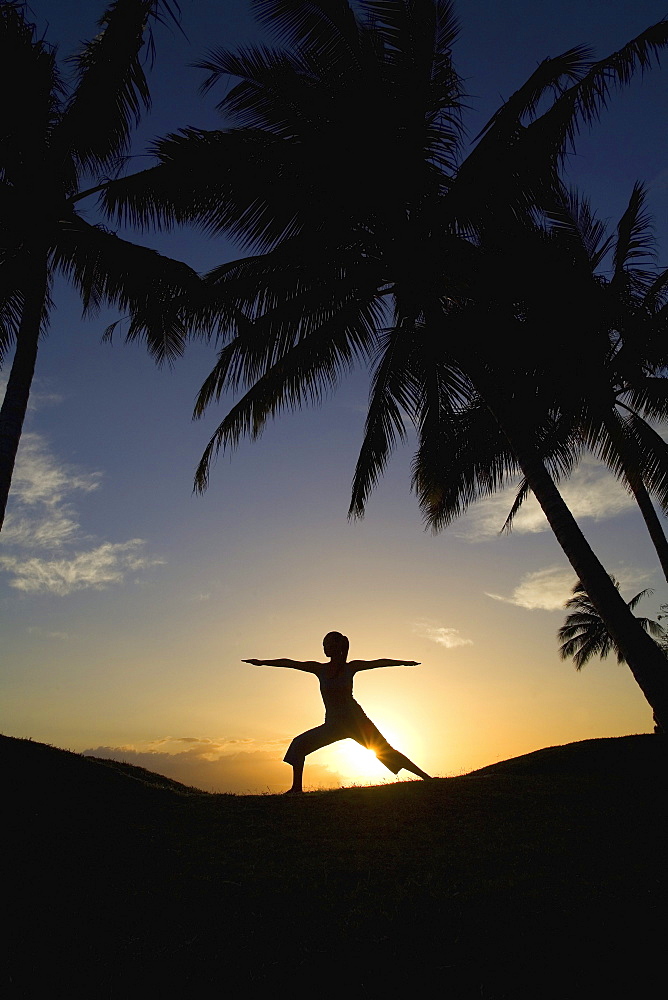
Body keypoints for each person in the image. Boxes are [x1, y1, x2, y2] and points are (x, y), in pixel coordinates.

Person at [243, 631, 431, 793]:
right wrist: (262, 662)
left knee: (385, 751)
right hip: (333, 723)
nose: (324, 647)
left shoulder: (350, 667)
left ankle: (427, 779)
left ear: (336, 647)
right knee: (299, 744)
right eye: (323, 644)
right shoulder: (320, 669)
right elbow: (291, 663)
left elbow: (378, 662)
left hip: (356, 721)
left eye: (327, 644)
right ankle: (296, 789)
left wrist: (404, 663)